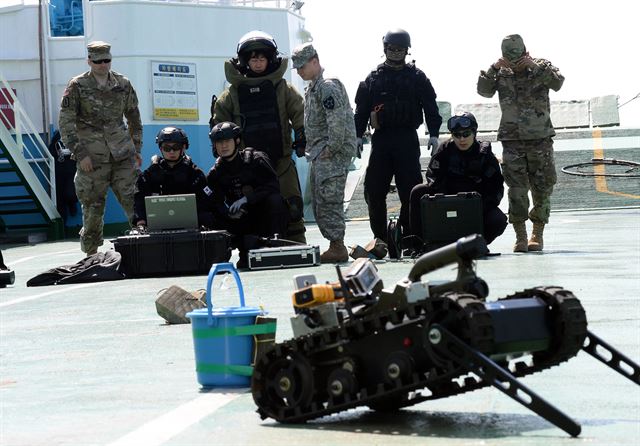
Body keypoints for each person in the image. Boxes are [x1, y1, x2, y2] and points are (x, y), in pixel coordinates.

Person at [212, 30, 307, 243]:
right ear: (245, 61)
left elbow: (299, 113)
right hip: (249, 169)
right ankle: (256, 248)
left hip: (281, 161)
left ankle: (298, 247)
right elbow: (219, 121)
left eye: (262, 57)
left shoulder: (282, 88)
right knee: (253, 210)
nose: (257, 62)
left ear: (270, 59)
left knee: (292, 207)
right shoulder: (231, 94)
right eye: (253, 58)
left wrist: (301, 137)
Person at [477, 34, 564, 252]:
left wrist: (534, 67)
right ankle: (521, 236)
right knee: (516, 190)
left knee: (542, 188)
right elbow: (484, 91)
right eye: (509, 57)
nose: (514, 62)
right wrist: (493, 68)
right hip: (512, 140)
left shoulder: (541, 67)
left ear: (526, 52)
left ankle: (538, 233)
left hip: (540, 139)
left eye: (518, 56)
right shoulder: (500, 73)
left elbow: (557, 83)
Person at [354, 28, 442, 244]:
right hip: (381, 141)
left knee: (411, 192)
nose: (395, 52)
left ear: (406, 51)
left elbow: (431, 106)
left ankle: (408, 236)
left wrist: (434, 133)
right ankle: (380, 239)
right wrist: (357, 136)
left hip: (407, 140)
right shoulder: (373, 79)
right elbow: (361, 111)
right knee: (374, 191)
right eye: (391, 48)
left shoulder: (418, 78)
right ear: (385, 49)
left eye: (400, 49)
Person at [58, 41, 142, 256]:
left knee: (134, 201)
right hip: (92, 159)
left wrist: (137, 148)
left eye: (107, 60)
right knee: (93, 208)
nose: (103, 65)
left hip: (123, 154)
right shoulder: (77, 86)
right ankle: (91, 255)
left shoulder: (123, 84)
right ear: (89, 61)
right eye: (98, 61)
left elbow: (134, 117)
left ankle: (145, 247)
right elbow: (66, 123)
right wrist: (80, 154)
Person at [291, 42, 356, 263]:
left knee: (329, 200)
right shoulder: (314, 87)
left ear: (315, 62)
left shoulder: (327, 86)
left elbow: (336, 120)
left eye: (302, 66)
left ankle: (338, 247)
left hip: (330, 154)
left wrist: (332, 148)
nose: (299, 71)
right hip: (320, 153)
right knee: (320, 202)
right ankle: (334, 244)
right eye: (297, 67)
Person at [409, 112, 508, 248]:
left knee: (499, 220)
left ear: (474, 133)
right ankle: (419, 244)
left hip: (476, 206)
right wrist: (445, 199)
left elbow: (496, 187)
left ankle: (476, 244)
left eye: (466, 134)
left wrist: (479, 206)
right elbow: (433, 176)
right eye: (457, 135)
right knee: (418, 191)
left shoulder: (485, 155)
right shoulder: (444, 150)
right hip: (444, 202)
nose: (462, 139)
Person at [206, 122, 289, 268]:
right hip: (240, 220)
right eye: (219, 142)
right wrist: (227, 213)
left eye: (227, 141)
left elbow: (273, 187)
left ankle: (276, 246)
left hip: (262, 215)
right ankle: (226, 255)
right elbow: (214, 202)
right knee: (210, 216)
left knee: (276, 200)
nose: (223, 146)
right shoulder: (215, 173)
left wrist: (246, 199)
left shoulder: (256, 160)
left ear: (237, 140)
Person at [132, 127, 213, 229]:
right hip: (156, 228)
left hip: (192, 229)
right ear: (160, 148)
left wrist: (203, 223)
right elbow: (138, 201)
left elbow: (206, 204)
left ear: (183, 147)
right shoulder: (150, 175)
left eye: (176, 147)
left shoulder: (195, 174)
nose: (171, 151)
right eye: (166, 148)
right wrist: (141, 222)